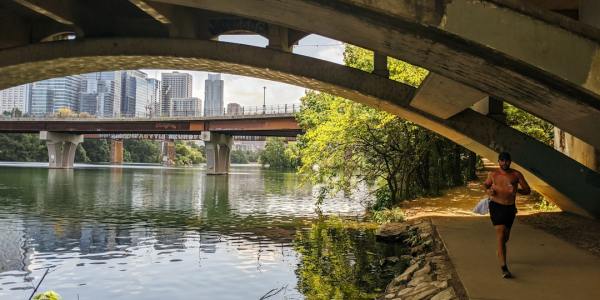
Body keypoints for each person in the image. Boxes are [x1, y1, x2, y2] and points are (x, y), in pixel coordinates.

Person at [483, 152, 530, 278]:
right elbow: (486, 185)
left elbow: (527, 190)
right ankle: (504, 268)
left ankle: (500, 250)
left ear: (510, 161)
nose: (504, 163)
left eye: (506, 161)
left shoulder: (516, 174)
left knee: (505, 237)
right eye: (502, 161)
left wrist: (517, 190)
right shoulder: (493, 174)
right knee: (500, 232)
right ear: (498, 161)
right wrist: (489, 191)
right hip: (496, 206)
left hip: (510, 208)